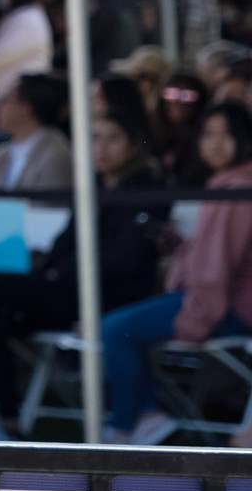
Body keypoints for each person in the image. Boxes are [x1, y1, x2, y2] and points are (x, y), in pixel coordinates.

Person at [0, 107, 164, 436]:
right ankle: (8, 421)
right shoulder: (93, 187)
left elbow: (124, 261)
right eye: (94, 139)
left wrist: (55, 275)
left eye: (113, 139)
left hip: (108, 296)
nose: (102, 148)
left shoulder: (145, 191)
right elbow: (66, 242)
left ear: (133, 145)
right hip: (70, 289)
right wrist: (51, 273)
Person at [100, 101, 252, 445]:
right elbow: (217, 257)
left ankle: (126, 426)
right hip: (222, 302)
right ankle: (147, 415)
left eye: (226, 134)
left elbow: (218, 269)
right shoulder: (228, 183)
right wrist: (180, 245)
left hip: (226, 308)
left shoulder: (237, 187)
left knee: (115, 328)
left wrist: (196, 318)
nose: (215, 143)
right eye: (208, 134)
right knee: (122, 327)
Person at [0, 73, 73, 195]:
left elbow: (50, 207)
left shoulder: (56, 153)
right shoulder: (2, 153)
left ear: (24, 110)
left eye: (5, 100)